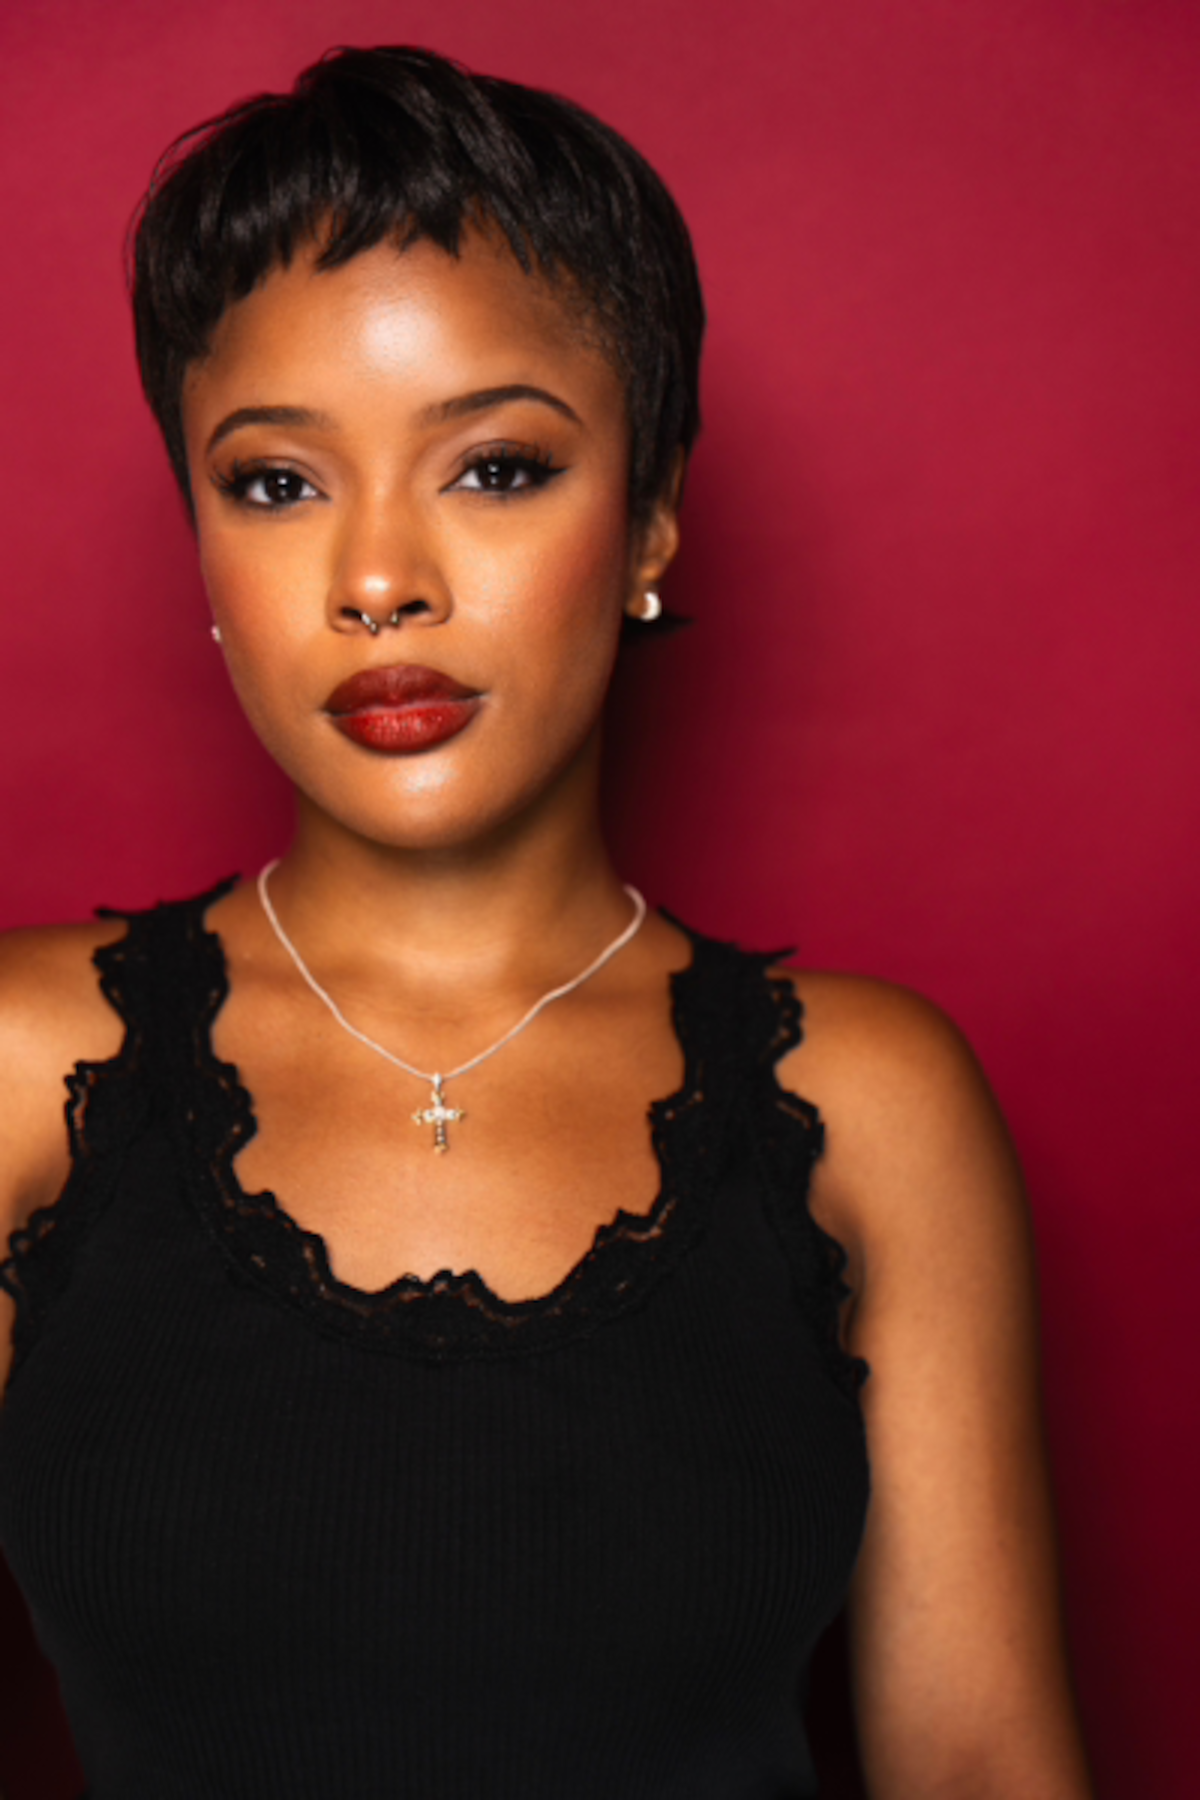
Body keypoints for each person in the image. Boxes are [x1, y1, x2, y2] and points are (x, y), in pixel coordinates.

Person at [0, 44, 1093, 1799]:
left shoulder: (872, 1111)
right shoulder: (26, 1073)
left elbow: (978, 1763)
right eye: (274, 482)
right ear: (199, 547)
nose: (376, 578)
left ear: (651, 513)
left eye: (494, 468)